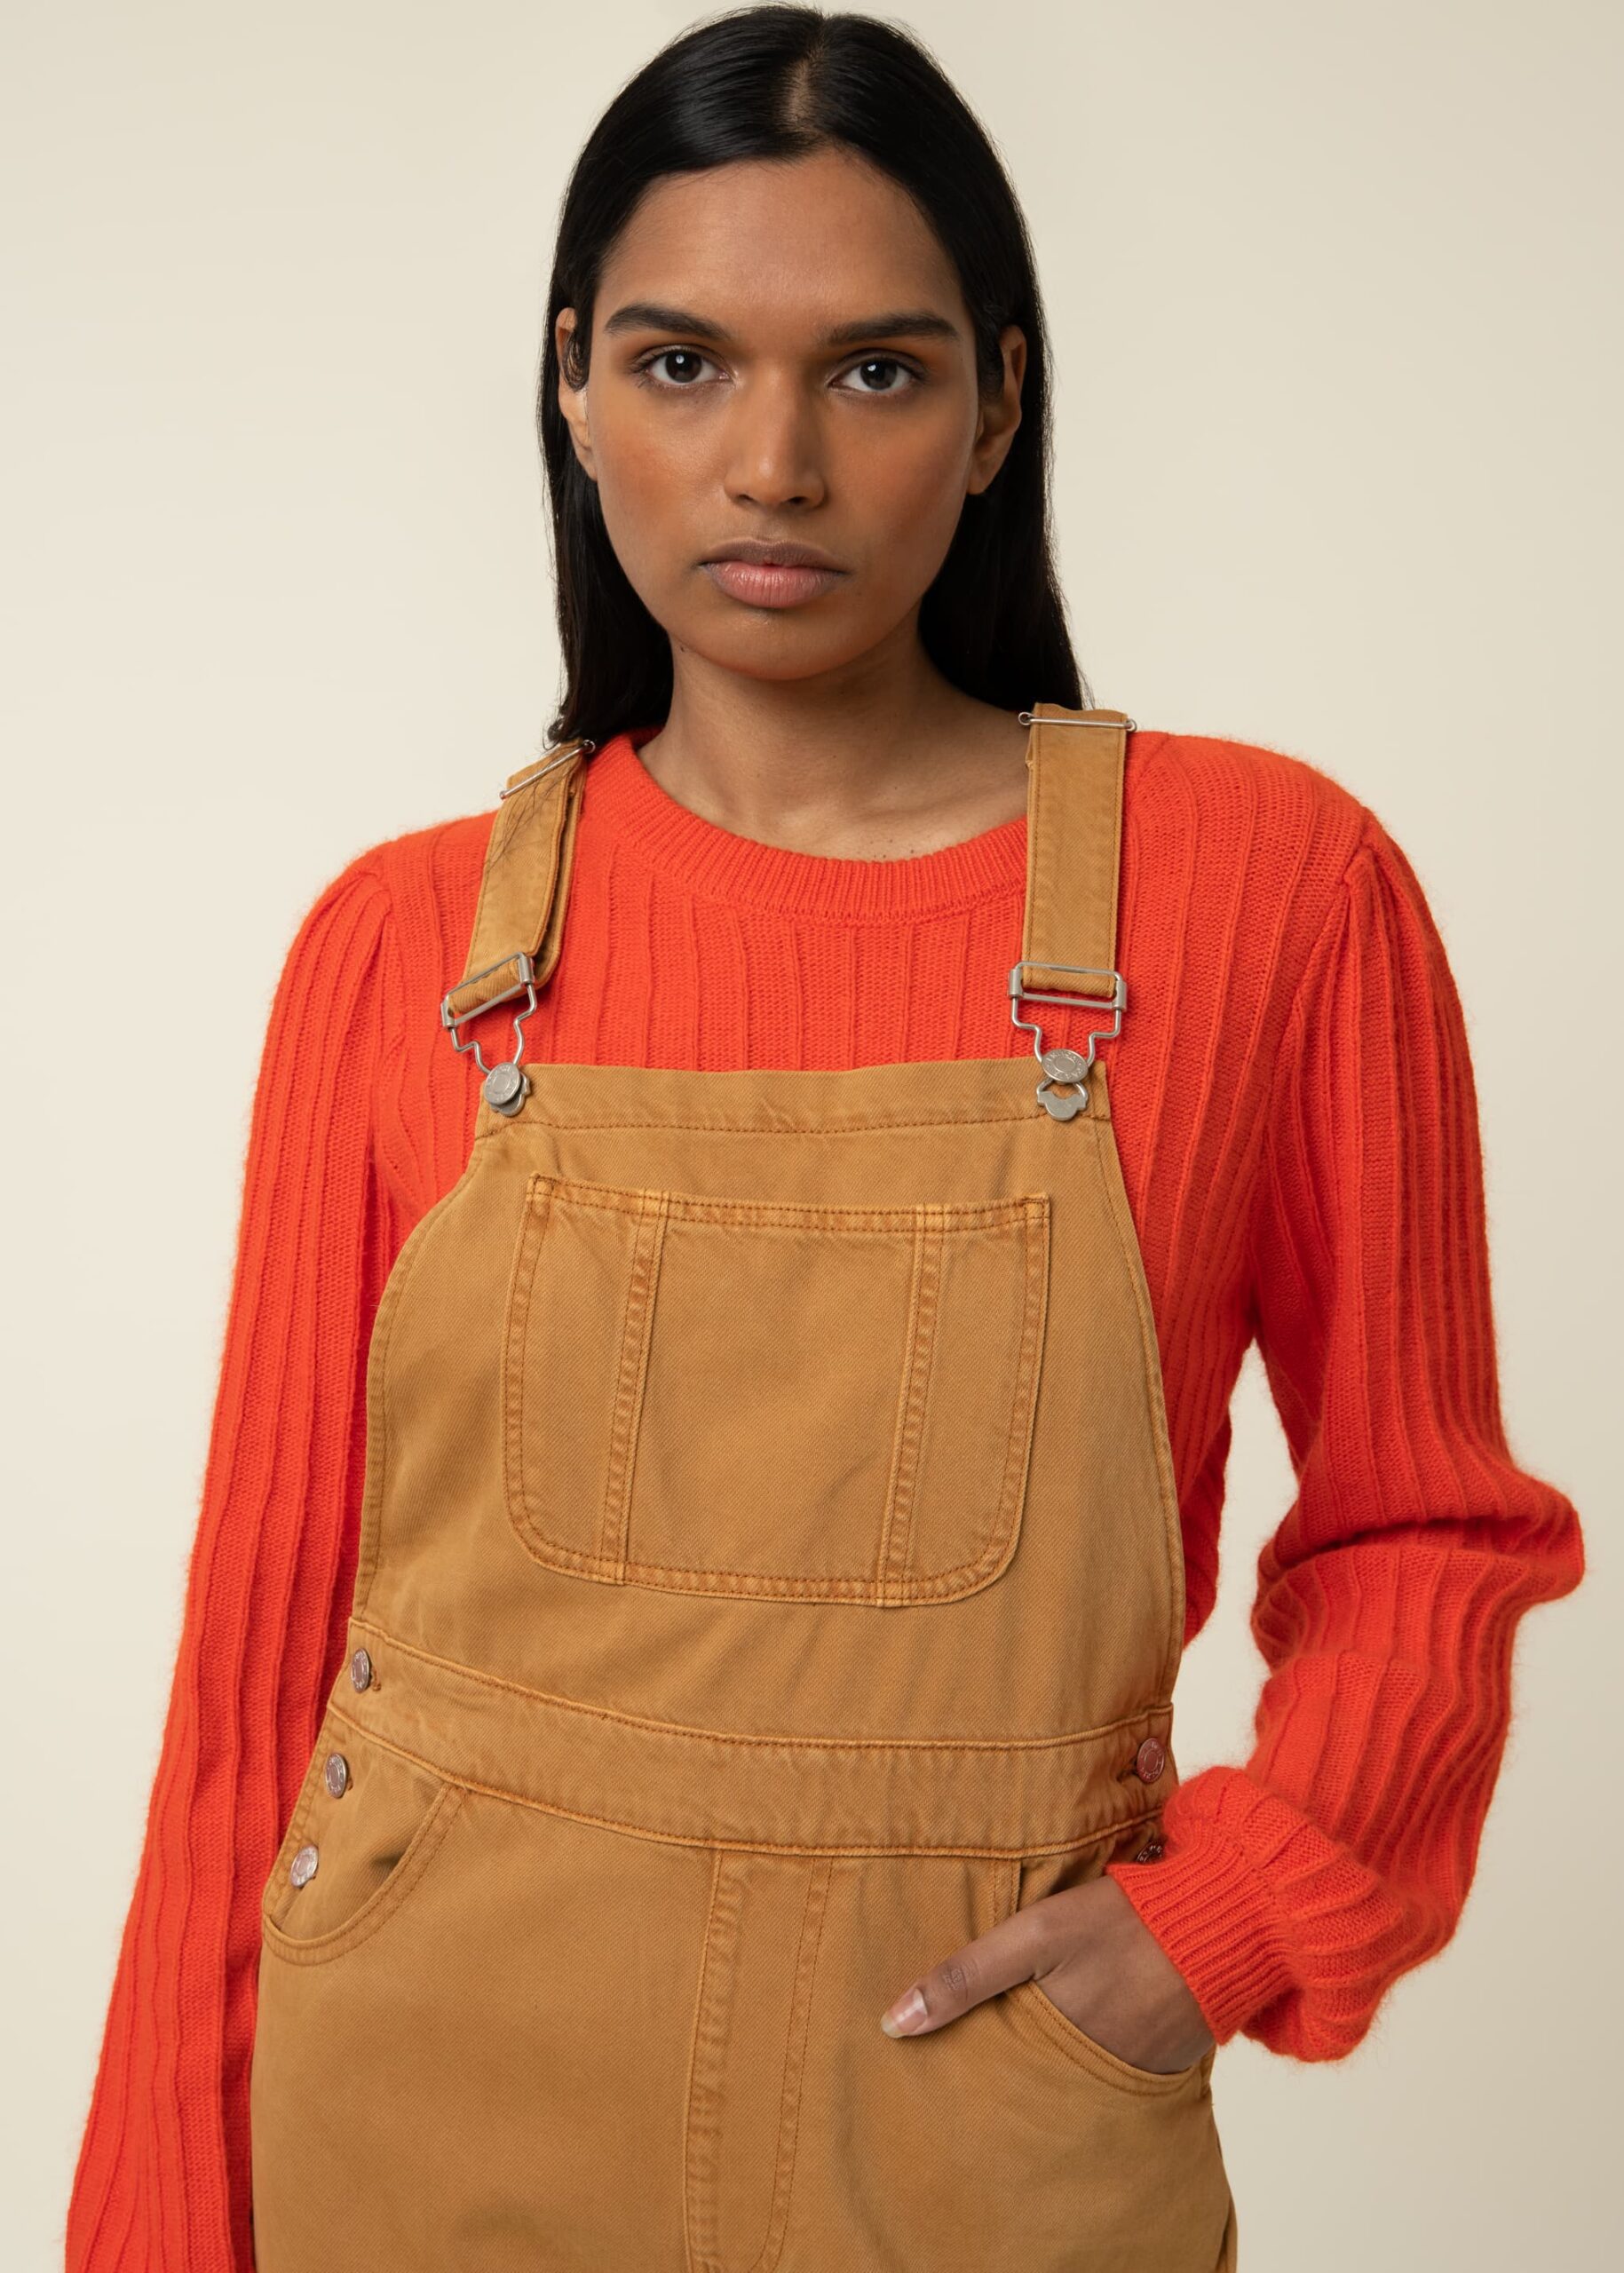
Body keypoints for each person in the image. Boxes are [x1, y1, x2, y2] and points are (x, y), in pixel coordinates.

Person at [67, 9, 1585, 2269]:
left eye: (874, 371)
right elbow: (252, 1695)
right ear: (573, 385)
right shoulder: (399, 948)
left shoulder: (1267, 892)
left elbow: (1428, 1528)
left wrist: (1231, 1920)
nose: (772, 462)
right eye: (682, 364)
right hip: (411, 2108)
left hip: (976, 2123)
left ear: (998, 406)